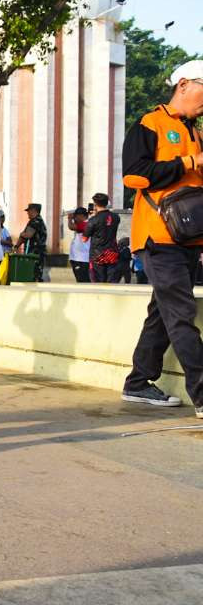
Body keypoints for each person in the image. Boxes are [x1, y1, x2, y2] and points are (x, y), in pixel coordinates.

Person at [120, 60, 203, 413]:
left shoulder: (196, 131)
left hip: (189, 239)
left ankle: (139, 382)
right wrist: (188, 162)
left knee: (164, 312)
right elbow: (134, 175)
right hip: (158, 237)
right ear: (184, 84)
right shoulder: (149, 124)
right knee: (182, 312)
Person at [83, 192, 121, 283]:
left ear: (95, 204)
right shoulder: (116, 217)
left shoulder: (93, 220)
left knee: (98, 281)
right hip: (112, 253)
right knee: (111, 281)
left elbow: (84, 239)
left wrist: (91, 218)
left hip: (97, 255)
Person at [15, 203, 48, 281]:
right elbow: (24, 237)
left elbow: (27, 235)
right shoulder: (36, 221)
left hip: (35, 254)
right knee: (33, 274)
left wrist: (21, 234)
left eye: (28, 211)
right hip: (35, 254)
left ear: (33, 210)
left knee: (33, 275)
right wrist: (16, 246)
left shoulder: (35, 221)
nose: (27, 213)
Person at [67, 207, 91, 283]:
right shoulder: (85, 223)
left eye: (76, 216)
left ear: (82, 216)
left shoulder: (85, 224)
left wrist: (69, 219)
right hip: (79, 258)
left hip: (81, 258)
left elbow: (71, 227)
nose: (75, 218)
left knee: (83, 280)